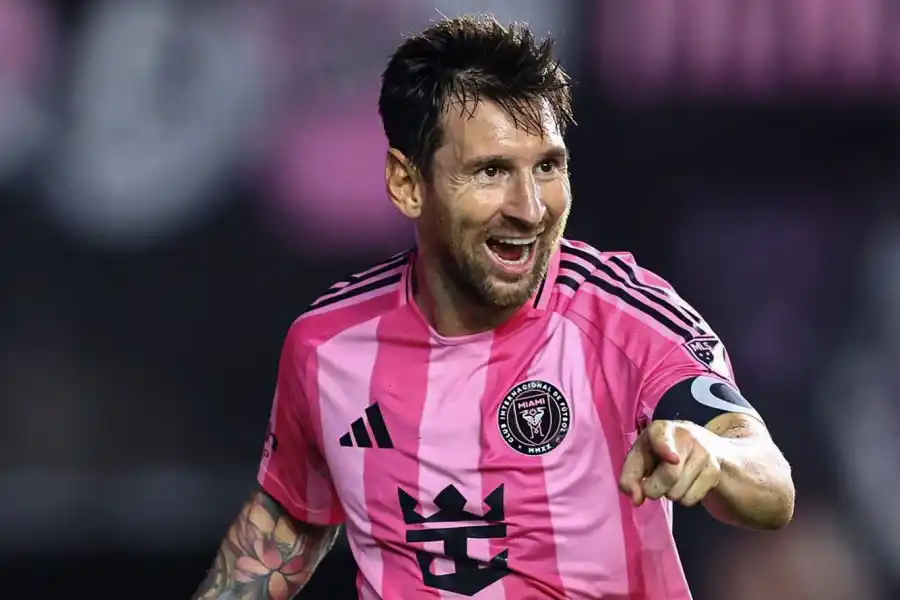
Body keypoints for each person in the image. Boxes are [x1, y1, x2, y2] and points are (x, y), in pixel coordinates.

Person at [193, 13, 795, 600]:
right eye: (491, 171)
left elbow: (769, 483)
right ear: (407, 183)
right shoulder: (328, 347)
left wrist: (714, 454)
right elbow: (287, 528)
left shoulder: (627, 320)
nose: (530, 209)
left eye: (548, 166)